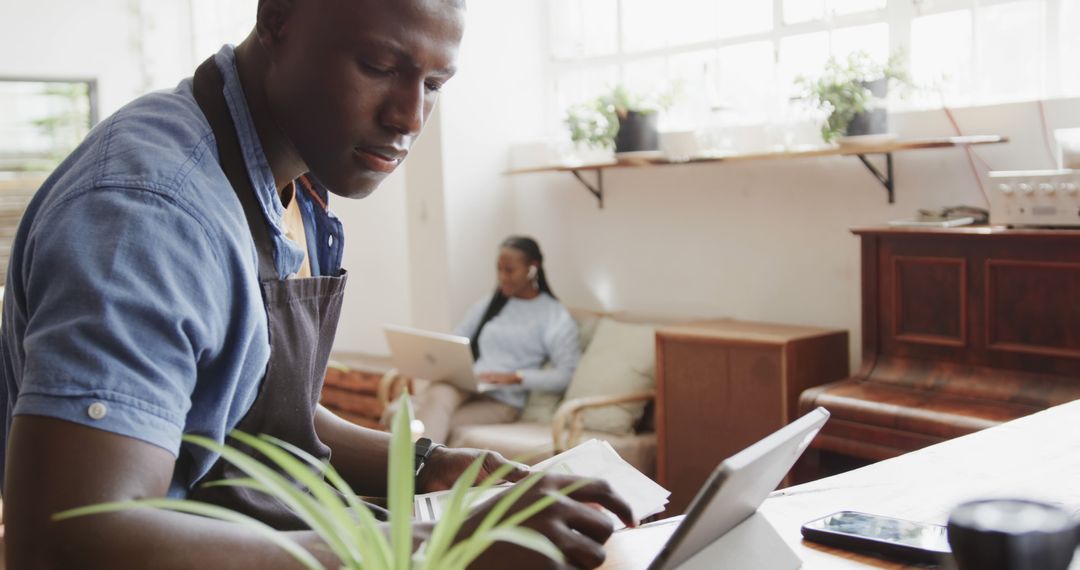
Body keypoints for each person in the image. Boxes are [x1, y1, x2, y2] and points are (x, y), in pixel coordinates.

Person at [0, 0, 632, 568]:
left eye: (435, 84)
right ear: (277, 20)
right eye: (380, 65)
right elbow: (63, 543)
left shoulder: (295, 182)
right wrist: (446, 544)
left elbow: (253, 410)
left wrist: (430, 465)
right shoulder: (147, 218)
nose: (409, 117)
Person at [412, 236, 580, 444]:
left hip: (503, 401)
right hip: (470, 384)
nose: (502, 277)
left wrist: (515, 377)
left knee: (431, 424)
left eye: (510, 270)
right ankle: (410, 472)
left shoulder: (554, 315)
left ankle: (409, 471)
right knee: (438, 395)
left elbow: (565, 375)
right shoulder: (490, 304)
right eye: (499, 269)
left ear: (532, 268)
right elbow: (457, 338)